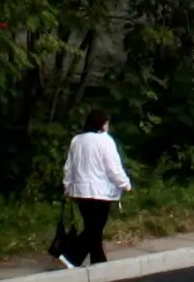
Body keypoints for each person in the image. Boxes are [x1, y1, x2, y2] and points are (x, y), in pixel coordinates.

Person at [57, 108, 132, 269]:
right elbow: (113, 168)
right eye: (107, 123)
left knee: (92, 227)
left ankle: (98, 262)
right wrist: (125, 183)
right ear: (102, 124)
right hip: (101, 192)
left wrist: (67, 186)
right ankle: (72, 257)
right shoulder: (105, 141)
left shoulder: (77, 140)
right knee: (95, 228)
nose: (108, 126)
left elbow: (69, 167)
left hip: (80, 191)